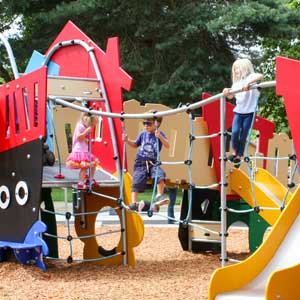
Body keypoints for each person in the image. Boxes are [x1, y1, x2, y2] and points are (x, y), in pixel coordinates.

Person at [123, 110, 170, 206]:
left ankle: (159, 195)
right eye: (144, 123)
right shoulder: (143, 134)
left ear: (157, 124)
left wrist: (160, 137)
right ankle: (134, 202)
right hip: (141, 162)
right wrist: (127, 140)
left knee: (160, 175)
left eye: (148, 123)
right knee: (137, 180)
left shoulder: (160, 134)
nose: (146, 125)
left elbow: (168, 145)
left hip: (153, 163)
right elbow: (135, 144)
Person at [223, 58, 264, 167]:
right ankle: (235, 152)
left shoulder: (251, 77)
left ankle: (239, 155)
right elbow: (231, 96)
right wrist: (226, 91)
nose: (236, 71)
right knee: (235, 132)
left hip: (250, 111)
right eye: (234, 69)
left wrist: (248, 83)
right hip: (239, 111)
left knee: (244, 134)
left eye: (237, 68)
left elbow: (260, 76)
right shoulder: (236, 84)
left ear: (245, 67)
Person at [66, 112, 99, 189]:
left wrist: (87, 140)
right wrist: (86, 132)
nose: (93, 126)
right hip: (79, 150)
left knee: (93, 164)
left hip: (84, 150)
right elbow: (79, 137)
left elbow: (82, 139)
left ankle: (90, 179)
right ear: (87, 121)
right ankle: (81, 183)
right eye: (92, 124)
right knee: (84, 167)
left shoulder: (84, 126)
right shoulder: (80, 126)